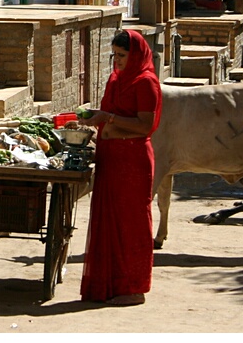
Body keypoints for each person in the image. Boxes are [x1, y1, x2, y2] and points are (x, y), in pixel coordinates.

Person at [77, 29, 163, 306]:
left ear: (136, 54)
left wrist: (108, 118)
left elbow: (145, 125)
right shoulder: (115, 79)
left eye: (122, 55)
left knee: (131, 223)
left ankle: (134, 288)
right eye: (114, 55)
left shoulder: (146, 82)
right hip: (110, 158)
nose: (117, 61)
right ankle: (109, 285)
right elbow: (107, 117)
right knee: (108, 221)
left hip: (132, 162)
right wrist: (92, 122)